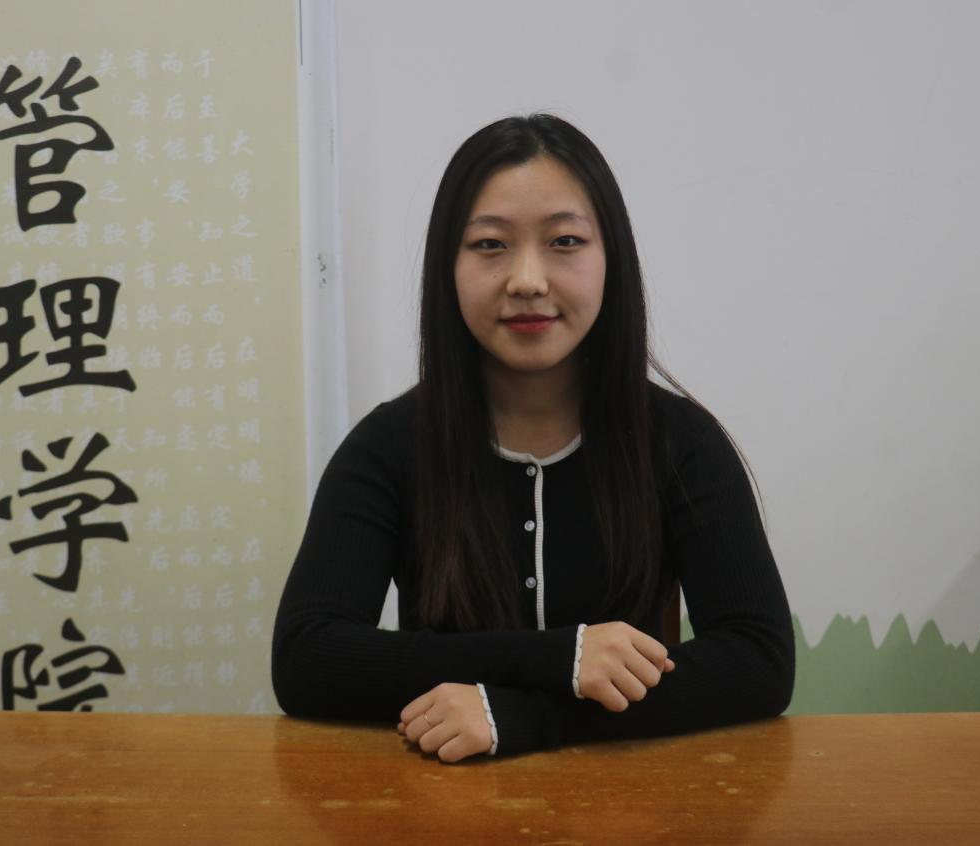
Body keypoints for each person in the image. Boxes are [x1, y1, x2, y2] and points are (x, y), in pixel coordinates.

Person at [272, 114, 794, 762]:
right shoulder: (387, 447)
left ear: (611, 259)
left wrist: (524, 718)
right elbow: (306, 659)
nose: (526, 280)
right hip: (440, 800)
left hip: (634, 801)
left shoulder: (680, 442)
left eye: (564, 241)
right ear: (447, 266)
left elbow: (758, 659)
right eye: (489, 244)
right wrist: (561, 657)